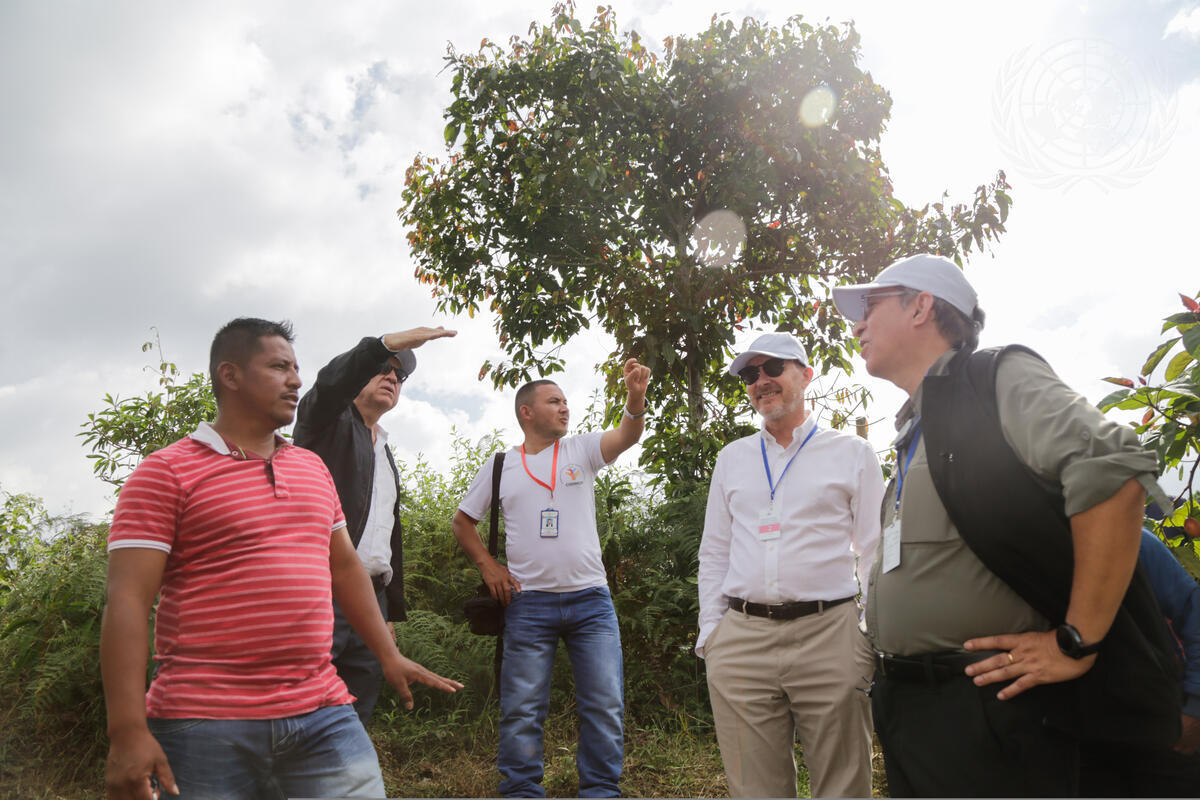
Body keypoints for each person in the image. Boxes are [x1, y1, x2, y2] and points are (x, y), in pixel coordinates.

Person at [831, 254, 1182, 796]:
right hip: (915, 711)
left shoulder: (992, 378)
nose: (858, 324)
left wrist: (1076, 641)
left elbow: (1112, 468)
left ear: (921, 307)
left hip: (989, 709)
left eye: (871, 306)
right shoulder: (918, 425)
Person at [101, 317, 462, 800]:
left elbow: (345, 568)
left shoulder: (312, 468)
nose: (294, 380)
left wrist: (388, 653)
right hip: (204, 720)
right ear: (230, 375)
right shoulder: (165, 473)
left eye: (295, 368)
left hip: (323, 712)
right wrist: (127, 731)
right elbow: (126, 601)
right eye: (278, 367)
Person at [450, 358, 650, 798]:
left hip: (591, 601)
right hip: (527, 603)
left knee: (604, 704)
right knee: (522, 709)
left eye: (565, 401)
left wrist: (635, 398)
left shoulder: (581, 449)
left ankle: (601, 791)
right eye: (554, 401)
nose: (565, 408)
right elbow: (463, 522)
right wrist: (488, 566)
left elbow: (627, 435)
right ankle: (521, 790)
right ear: (527, 412)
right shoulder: (501, 464)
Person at [696, 332, 884, 798]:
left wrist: (870, 634)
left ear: (806, 374)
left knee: (844, 786)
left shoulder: (852, 453)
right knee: (754, 789)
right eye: (750, 374)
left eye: (773, 368)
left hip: (831, 634)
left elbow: (875, 550)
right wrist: (712, 634)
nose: (760, 380)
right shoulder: (732, 458)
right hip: (742, 639)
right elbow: (715, 551)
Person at [293, 325, 456, 725]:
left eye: (399, 375)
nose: (391, 377)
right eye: (382, 368)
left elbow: (385, 537)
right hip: (320, 591)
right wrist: (383, 346)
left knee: (355, 714)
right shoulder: (326, 422)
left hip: (371, 600)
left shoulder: (384, 451)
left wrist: (386, 614)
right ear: (359, 374)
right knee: (301, 711)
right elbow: (329, 385)